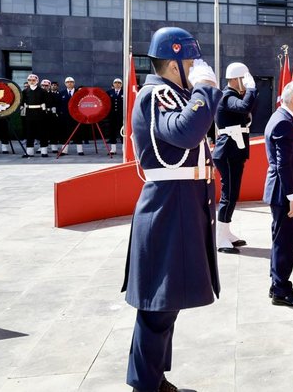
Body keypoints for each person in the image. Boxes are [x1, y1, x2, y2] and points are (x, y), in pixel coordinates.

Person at [121, 27, 222, 392]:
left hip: (180, 202)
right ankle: (145, 386)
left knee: (165, 304)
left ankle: (153, 379)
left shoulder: (172, 93)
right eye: (191, 61)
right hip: (168, 205)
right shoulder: (157, 94)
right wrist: (206, 89)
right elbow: (184, 132)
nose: (195, 66)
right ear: (175, 62)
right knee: (157, 306)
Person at [264, 81, 293, 307]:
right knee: (284, 241)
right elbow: (284, 165)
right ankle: (280, 291)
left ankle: (279, 283)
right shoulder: (284, 123)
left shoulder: (282, 118)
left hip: (281, 192)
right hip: (284, 194)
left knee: (280, 240)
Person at [213, 62, 258, 254]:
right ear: (237, 79)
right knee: (228, 195)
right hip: (228, 151)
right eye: (244, 79)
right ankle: (220, 237)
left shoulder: (232, 97)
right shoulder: (227, 96)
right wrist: (252, 89)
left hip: (234, 150)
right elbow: (245, 106)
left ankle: (226, 231)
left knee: (232, 194)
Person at [21, 74, 49, 158]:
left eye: (33, 80)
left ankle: (44, 151)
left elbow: (46, 102)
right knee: (29, 132)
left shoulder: (42, 91)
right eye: (30, 80)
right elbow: (22, 102)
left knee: (42, 132)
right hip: (29, 113)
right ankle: (29, 152)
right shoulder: (25, 91)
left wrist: (45, 111)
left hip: (40, 112)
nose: (31, 82)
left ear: (37, 81)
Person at [60, 76, 84, 156]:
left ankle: (80, 150)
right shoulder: (61, 93)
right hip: (65, 117)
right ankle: (64, 150)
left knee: (78, 132)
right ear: (65, 84)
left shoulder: (79, 93)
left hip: (77, 116)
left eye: (71, 82)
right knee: (64, 133)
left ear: (74, 83)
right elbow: (59, 105)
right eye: (67, 82)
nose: (69, 83)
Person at [107, 78, 123, 156]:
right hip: (112, 115)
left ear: (121, 84)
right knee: (112, 132)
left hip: (122, 116)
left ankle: (124, 149)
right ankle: (113, 149)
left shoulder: (125, 92)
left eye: (119, 83)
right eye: (115, 83)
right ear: (113, 84)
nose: (117, 84)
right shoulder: (109, 93)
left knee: (123, 132)